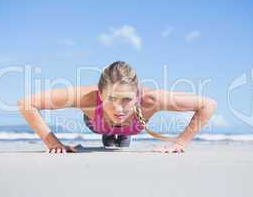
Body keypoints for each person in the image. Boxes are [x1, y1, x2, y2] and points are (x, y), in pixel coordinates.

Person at [17, 61, 217, 153]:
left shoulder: (151, 100)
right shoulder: (86, 97)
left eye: (127, 100)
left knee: (121, 139)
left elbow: (208, 104)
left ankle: (122, 134)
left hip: (134, 125)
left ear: (137, 95)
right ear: (100, 94)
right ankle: (110, 134)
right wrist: (53, 143)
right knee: (108, 135)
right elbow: (26, 103)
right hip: (97, 123)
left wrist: (180, 144)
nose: (119, 108)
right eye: (112, 98)